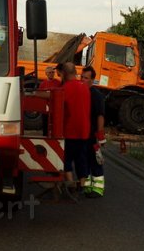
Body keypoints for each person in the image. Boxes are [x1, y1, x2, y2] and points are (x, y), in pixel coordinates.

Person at [58, 62, 91, 195]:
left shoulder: (64, 88)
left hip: (69, 130)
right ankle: (82, 184)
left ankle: (71, 183)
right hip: (84, 130)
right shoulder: (84, 87)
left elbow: (59, 106)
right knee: (81, 158)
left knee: (66, 158)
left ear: (65, 74)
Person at [81, 65, 106, 197]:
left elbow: (100, 116)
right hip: (83, 135)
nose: (83, 80)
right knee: (84, 161)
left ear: (92, 80)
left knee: (95, 161)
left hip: (92, 135)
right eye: (82, 77)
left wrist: (100, 135)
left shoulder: (96, 96)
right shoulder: (82, 92)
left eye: (86, 78)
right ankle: (87, 187)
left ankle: (97, 189)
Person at [39, 66, 62, 135]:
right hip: (46, 108)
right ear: (46, 74)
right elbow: (40, 95)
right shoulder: (43, 84)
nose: (51, 74)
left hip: (55, 108)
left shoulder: (58, 83)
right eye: (49, 72)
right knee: (45, 125)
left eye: (53, 72)